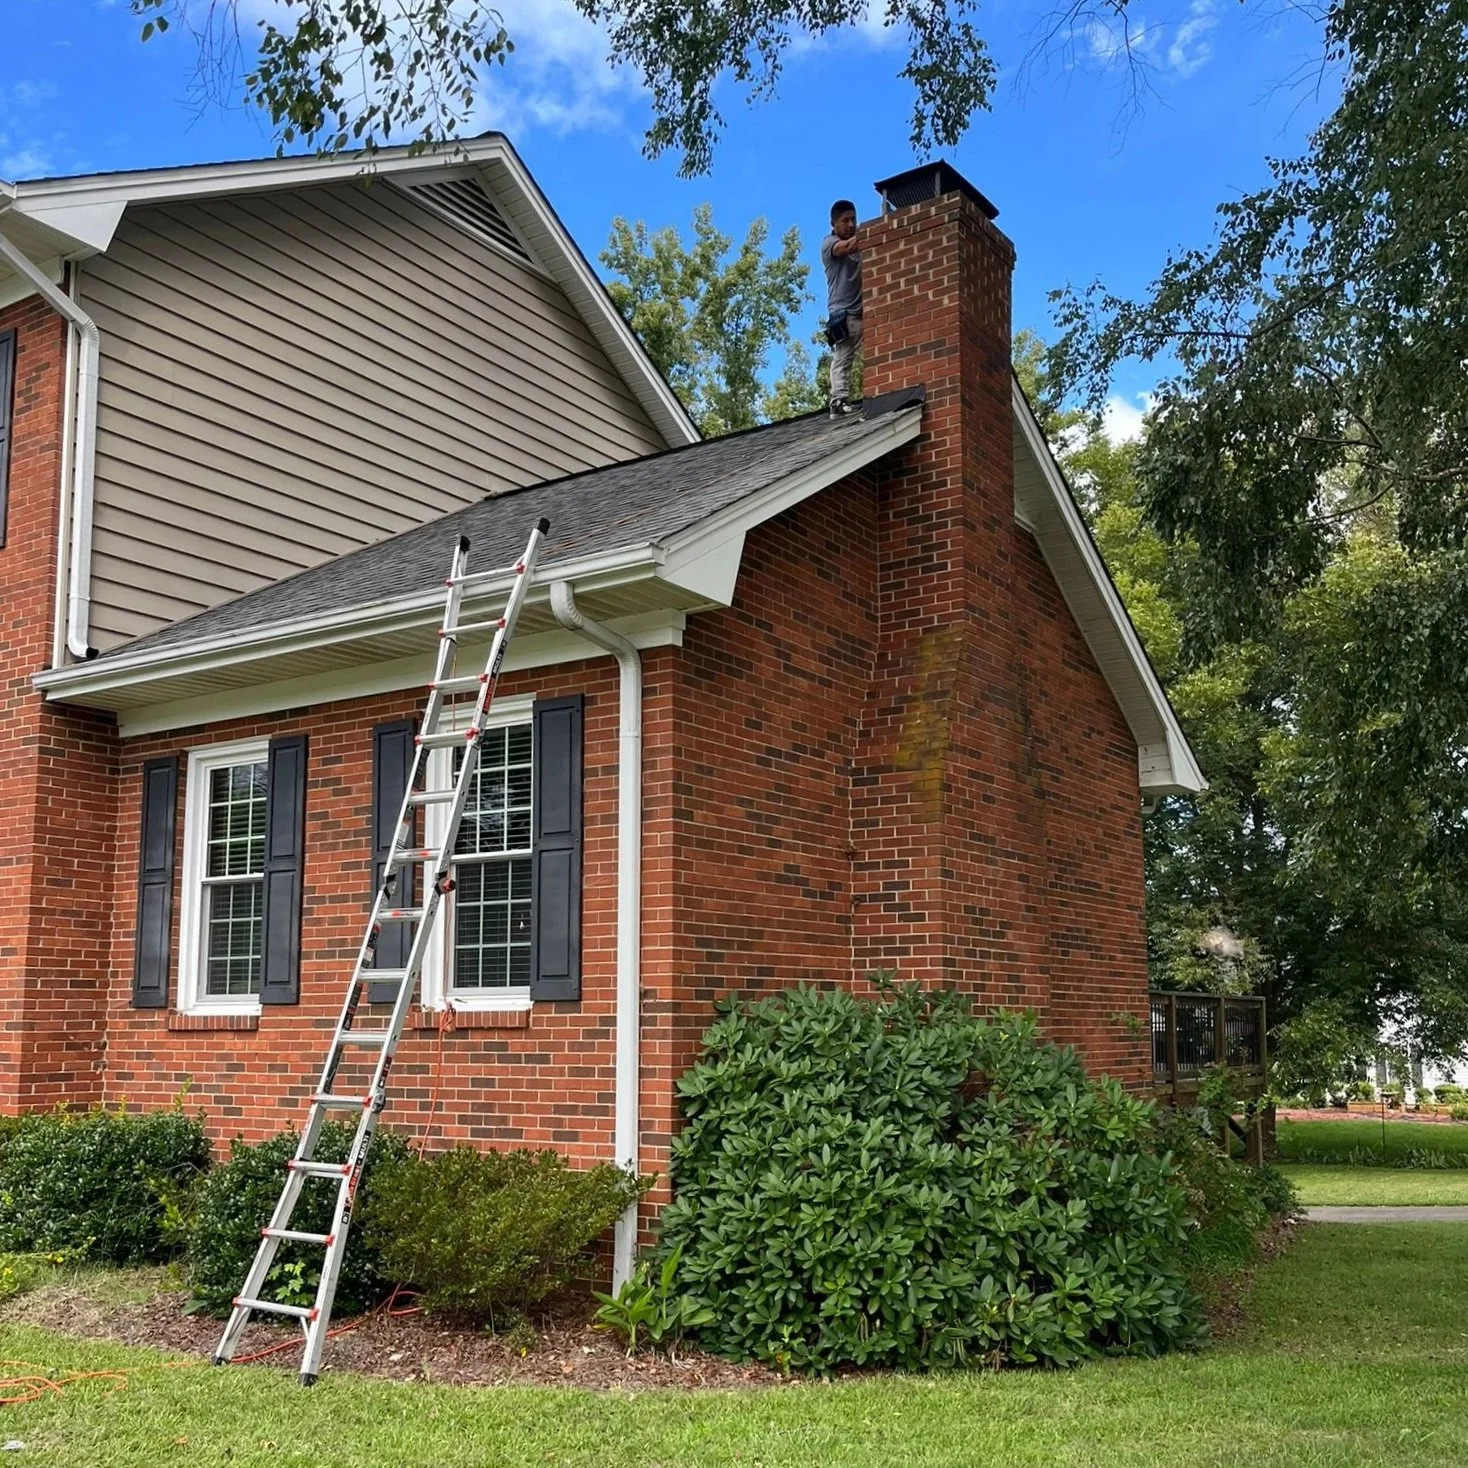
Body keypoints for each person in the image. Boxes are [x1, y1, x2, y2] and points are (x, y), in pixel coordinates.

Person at [820, 199, 862, 417]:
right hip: (843, 313)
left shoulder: (858, 245)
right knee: (843, 356)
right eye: (845, 220)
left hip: (863, 311)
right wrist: (875, 230)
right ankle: (838, 401)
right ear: (833, 223)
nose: (851, 224)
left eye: (853, 219)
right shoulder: (829, 244)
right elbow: (846, 247)